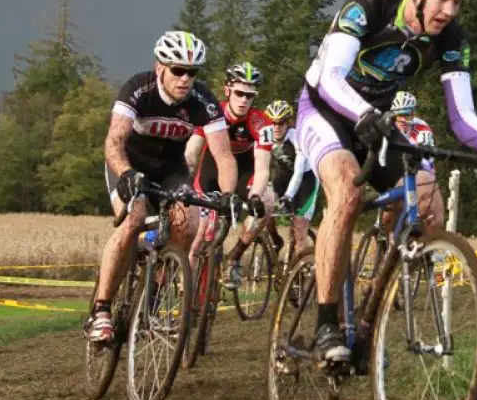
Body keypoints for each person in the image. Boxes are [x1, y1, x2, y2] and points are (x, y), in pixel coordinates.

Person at [296, 0, 477, 362]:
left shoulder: (452, 39)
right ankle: (324, 325)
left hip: (374, 123)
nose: (450, 11)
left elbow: (462, 117)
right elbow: (330, 78)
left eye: (459, 3)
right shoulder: (368, 6)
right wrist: (362, 115)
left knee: (428, 201)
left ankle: (367, 320)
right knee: (346, 191)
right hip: (324, 110)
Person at [88, 31, 237, 342]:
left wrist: (227, 197)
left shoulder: (203, 101)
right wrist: (127, 173)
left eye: (192, 72)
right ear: (160, 68)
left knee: (189, 223)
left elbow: (223, 155)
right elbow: (114, 142)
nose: (185, 79)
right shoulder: (137, 89)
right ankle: (101, 310)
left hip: (170, 169)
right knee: (135, 217)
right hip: (128, 164)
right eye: (177, 70)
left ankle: (150, 302)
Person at [187, 62, 275, 289]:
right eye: (239, 93)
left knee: (268, 200)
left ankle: (234, 257)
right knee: (201, 234)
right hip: (211, 168)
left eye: (249, 95)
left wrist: (255, 196)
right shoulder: (211, 112)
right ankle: (186, 290)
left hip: (244, 169)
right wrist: (183, 179)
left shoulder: (262, 122)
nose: (244, 100)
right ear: (227, 90)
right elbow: (192, 152)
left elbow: (263, 167)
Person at [265, 99, 319, 254]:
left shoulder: (297, 138)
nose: (276, 127)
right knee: (265, 209)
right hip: (282, 178)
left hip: (305, 181)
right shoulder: (266, 136)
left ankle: (303, 270)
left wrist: (288, 197)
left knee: (299, 227)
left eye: (280, 123)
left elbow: (299, 171)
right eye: (272, 122)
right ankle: (276, 240)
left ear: (288, 123)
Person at [390, 90, 436, 181]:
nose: (403, 119)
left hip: (419, 171)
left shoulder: (421, 127)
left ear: (413, 113)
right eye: (399, 115)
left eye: (407, 115)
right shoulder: (388, 126)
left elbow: (427, 160)